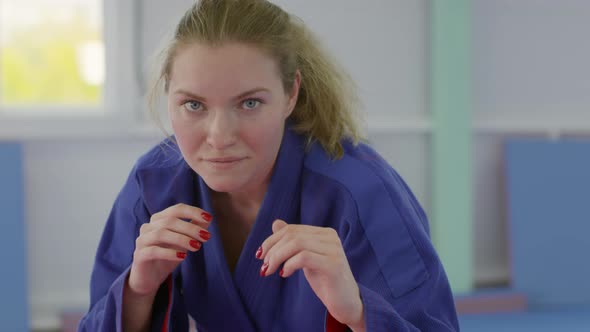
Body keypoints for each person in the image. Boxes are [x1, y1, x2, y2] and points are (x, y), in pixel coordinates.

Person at [79, 0, 459, 331]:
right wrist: (137, 291)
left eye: (249, 103)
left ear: (290, 94)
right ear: (169, 96)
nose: (219, 135)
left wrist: (358, 313)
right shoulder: (153, 186)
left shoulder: (364, 193)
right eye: (193, 105)